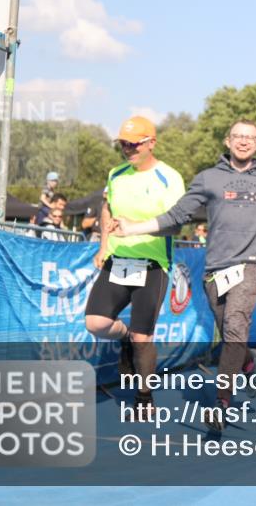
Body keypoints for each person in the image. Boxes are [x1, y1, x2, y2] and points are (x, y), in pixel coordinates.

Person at [115, 118, 256, 431]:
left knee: (236, 324)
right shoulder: (208, 178)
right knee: (230, 336)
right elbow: (177, 215)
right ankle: (248, 361)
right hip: (215, 270)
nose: (243, 141)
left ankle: (221, 403)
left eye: (250, 137)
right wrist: (132, 228)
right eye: (237, 136)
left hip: (252, 265)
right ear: (228, 141)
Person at [84, 116, 186, 421]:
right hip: (119, 259)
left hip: (153, 263)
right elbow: (107, 209)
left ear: (151, 143)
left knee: (145, 337)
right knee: (96, 323)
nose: (128, 149)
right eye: (123, 144)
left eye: (134, 144)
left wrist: (136, 229)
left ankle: (144, 396)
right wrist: (104, 245)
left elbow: (177, 223)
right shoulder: (116, 174)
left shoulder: (169, 177)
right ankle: (125, 336)